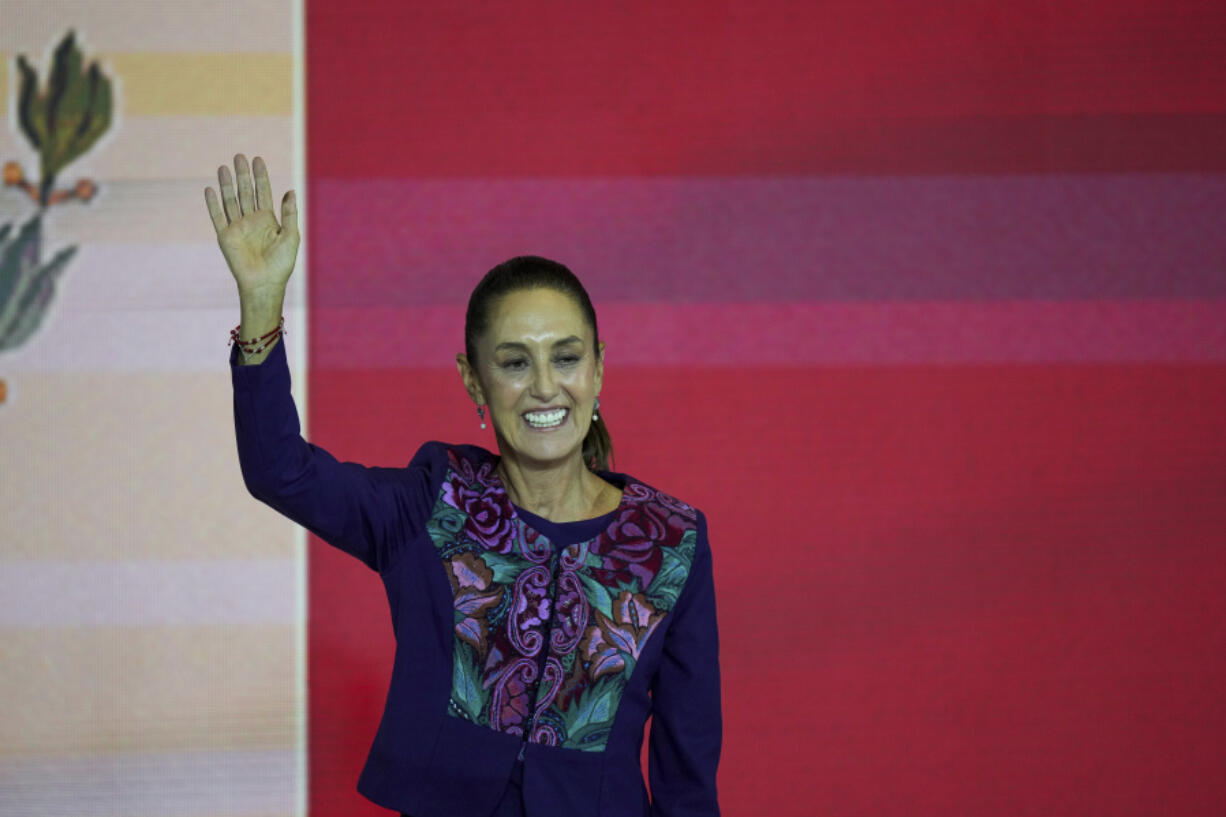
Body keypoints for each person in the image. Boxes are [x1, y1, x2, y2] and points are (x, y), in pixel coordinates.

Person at [205, 155, 721, 816]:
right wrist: (260, 308)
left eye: (566, 356)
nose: (543, 385)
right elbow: (280, 470)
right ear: (473, 379)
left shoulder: (671, 542)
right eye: (513, 361)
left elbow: (687, 773)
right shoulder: (432, 502)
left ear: (597, 370)